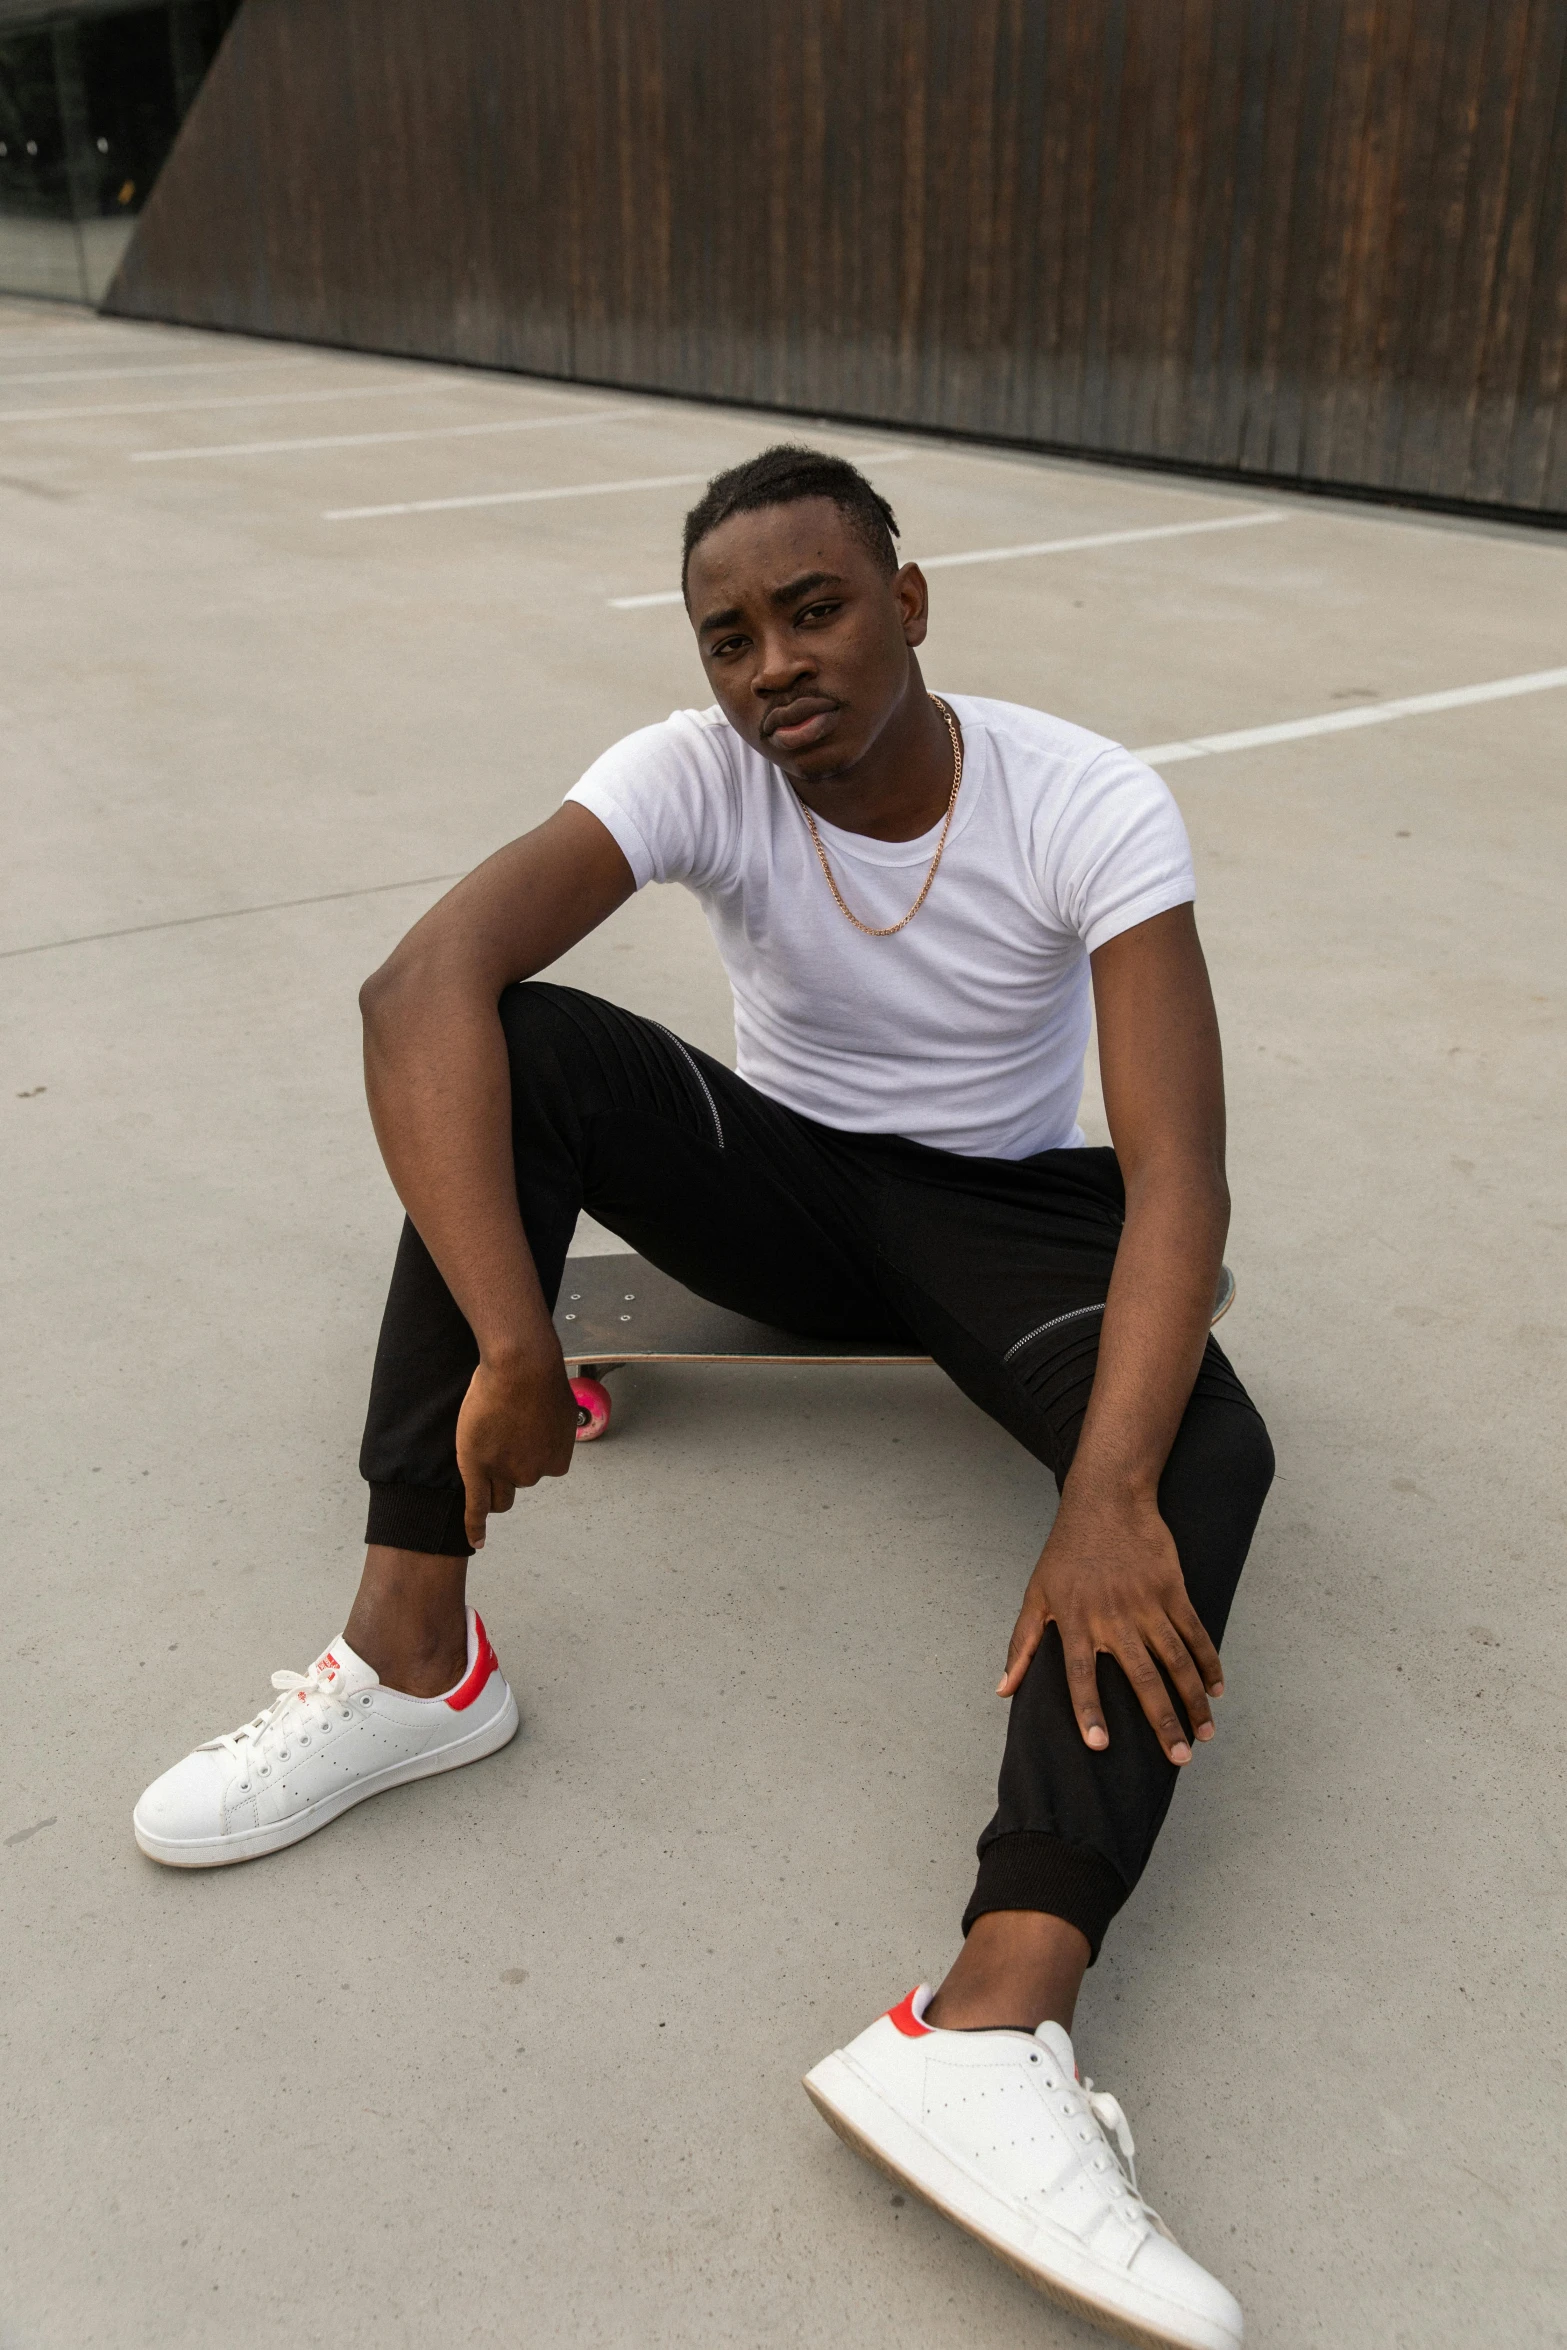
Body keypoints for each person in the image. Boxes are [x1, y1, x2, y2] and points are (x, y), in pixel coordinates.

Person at [135, 446, 1272, 2350]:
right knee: (508, 1042)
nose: (771, 664)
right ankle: (414, 1659)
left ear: (909, 603)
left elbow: (1177, 1176)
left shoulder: (1089, 799)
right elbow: (416, 984)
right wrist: (517, 1343)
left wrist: (1105, 1487)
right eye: (729, 634)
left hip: (1007, 1215)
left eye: (813, 609)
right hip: (781, 1192)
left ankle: (991, 2016)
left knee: (1203, 1453)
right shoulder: (692, 766)